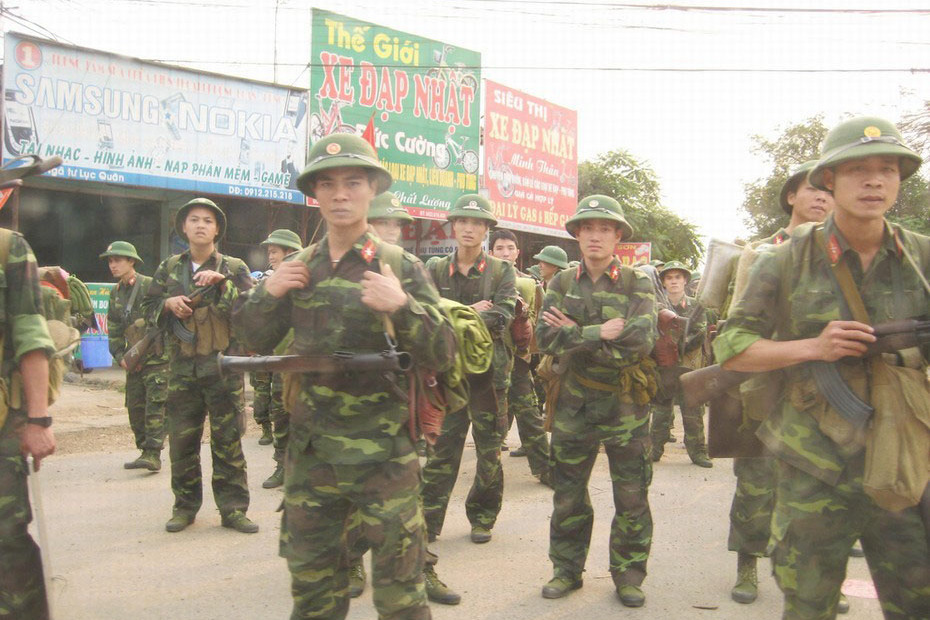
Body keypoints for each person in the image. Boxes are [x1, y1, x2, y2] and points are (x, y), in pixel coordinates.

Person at [233, 133, 456, 620]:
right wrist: (266, 294)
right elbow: (254, 341)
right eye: (327, 184)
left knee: (401, 596)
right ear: (314, 194)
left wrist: (403, 306)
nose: (340, 194)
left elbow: (444, 351)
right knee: (314, 594)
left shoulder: (401, 266)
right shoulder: (297, 268)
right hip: (313, 456)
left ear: (372, 189)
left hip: (386, 456)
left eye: (353, 182)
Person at [715, 116, 930, 619]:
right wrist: (813, 347)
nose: (874, 181)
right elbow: (732, 346)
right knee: (808, 605)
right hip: (814, 466)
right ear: (829, 180)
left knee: (916, 603)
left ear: (900, 179)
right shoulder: (785, 259)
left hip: (903, 461)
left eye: (887, 169)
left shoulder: (921, 256)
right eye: (858, 169)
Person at [724, 159, 839, 606]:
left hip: (829, 386)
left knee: (826, 485)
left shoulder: (845, 253)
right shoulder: (761, 251)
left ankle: (821, 576)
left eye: (828, 191)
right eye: (811, 189)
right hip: (770, 379)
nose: (820, 197)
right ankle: (748, 563)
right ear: (791, 196)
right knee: (755, 478)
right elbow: (739, 326)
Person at [536, 195, 657, 608]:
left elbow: (639, 344)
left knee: (631, 494)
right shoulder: (562, 282)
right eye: (587, 228)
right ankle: (566, 570)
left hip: (625, 405)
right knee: (568, 493)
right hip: (573, 403)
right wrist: (596, 333)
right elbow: (543, 338)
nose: (595, 236)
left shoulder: (637, 282)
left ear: (618, 235)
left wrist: (573, 333)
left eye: (604, 228)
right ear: (576, 235)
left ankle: (628, 575)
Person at [141, 197, 258, 535]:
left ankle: (234, 510)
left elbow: (252, 312)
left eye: (208, 220)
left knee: (228, 443)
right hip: (180, 370)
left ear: (217, 229)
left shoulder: (233, 267)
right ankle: (185, 507)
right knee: (182, 443)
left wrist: (223, 285)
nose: (201, 225)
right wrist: (167, 304)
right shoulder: (168, 268)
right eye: (194, 219)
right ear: (184, 228)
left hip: (224, 369)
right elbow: (147, 307)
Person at [421, 194, 517, 545]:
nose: (469, 228)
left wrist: (448, 313)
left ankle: (482, 517)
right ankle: (429, 521)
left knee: (489, 452)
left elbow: (503, 315)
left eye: (477, 223)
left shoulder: (503, 271)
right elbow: (422, 315)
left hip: (490, 378)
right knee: (441, 451)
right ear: (453, 225)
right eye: (463, 221)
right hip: (447, 375)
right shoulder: (433, 268)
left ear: (486, 230)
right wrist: (470, 311)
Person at [0, 228, 56, 619]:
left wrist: (37, 419)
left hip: (2, 424)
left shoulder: (8, 247)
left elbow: (30, 333)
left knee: (6, 540)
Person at [488, 229, 550, 482]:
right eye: (500, 248)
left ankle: (544, 469)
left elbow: (542, 317)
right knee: (490, 418)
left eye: (509, 248)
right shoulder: (482, 280)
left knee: (529, 413)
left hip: (518, 361)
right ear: (491, 252)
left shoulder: (528, 283)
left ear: (517, 252)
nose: (505, 253)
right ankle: (489, 471)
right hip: (487, 361)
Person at [101, 241, 168, 472]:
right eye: (110, 261)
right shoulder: (115, 292)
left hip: (158, 358)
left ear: (132, 261)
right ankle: (144, 450)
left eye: (118, 260)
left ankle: (153, 453)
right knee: (135, 407)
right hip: (134, 360)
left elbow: (166, 317)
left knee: (155, 406)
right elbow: (115, 328)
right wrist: (121, 356)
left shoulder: (150, 285)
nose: (113, 265)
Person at [648, 260, 712, 468]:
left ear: (685, 281)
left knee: (692, 410)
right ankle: (655, 449)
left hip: (688, 364)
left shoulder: (696, 306)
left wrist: (676, 345)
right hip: (664, 366)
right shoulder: (657, 307)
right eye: (669, 278)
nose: (674, 281)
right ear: (663, 282)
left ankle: (698, 451)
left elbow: (699, 333)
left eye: (678, 277)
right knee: (660, 411)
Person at [255, 228, 303, 490]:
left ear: (290, 252)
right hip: (280, 361)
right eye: (269, 251)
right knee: (281, 414)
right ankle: (282, 466)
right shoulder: (270, 282)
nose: (270, 256)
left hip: (306, 362)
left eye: (274, 251)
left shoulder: (309, 278)